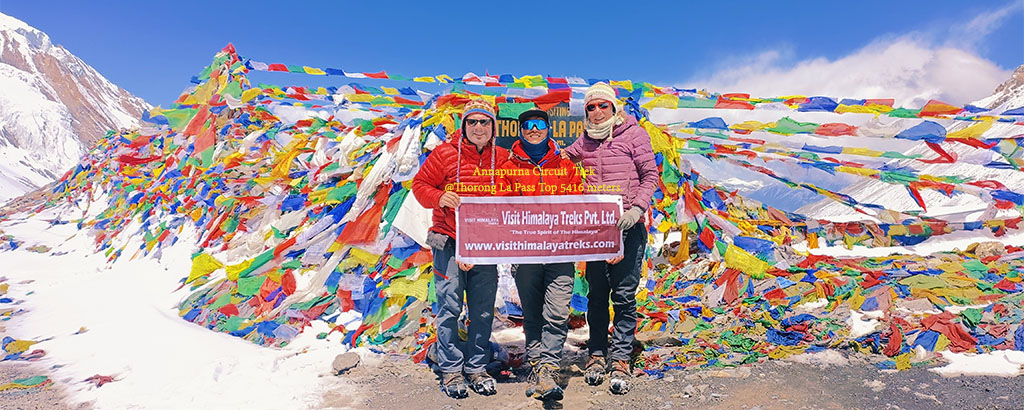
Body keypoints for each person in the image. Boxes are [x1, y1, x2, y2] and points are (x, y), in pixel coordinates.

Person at [564, 82, 658, 395]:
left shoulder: (634, 134)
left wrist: (636, 209)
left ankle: (620, 358)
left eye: (602, 105)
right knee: (597, 295)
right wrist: (528, 159)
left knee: (624, 295)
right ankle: (596, 353)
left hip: (628, 228)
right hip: (596, 232)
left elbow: (650, 176)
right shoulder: (585, 141)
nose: (597, 111)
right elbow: (559, 162)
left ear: (614, 108)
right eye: (590, 107)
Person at [412, 99, 509, 398]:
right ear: (464, 125)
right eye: (472, 122)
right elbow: (419, 186)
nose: (478, 127)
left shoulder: (503, 158)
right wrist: (439, 197)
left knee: (482, 310)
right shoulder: (443, 154)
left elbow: (516, 193)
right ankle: (452, 369)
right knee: (450, 307)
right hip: (449, 241)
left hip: (485, 246)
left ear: (493, 127)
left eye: (484, 122)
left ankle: (477, 367)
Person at [496, 108, 583, 401]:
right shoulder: (508, 167)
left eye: (539, 124)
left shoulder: (566, 165)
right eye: (528, 125)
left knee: (557, 313)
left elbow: (578, 201)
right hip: (526, 251)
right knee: (532, 313)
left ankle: (548, 367)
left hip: (560, 251)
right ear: (521, 130)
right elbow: (501, 205)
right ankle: (537, 366)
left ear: (548, 128)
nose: (534, 130)